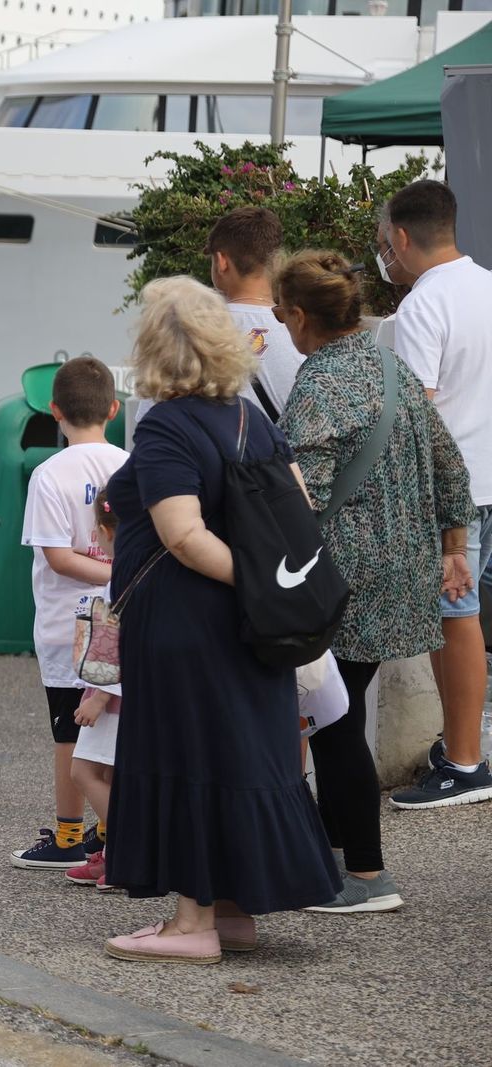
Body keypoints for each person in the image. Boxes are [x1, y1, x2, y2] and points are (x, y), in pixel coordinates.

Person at [102, 276, 340, 966]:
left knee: (188, 756)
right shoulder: (251, 418)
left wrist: (253, 578)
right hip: (250, 628)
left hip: (187, 624)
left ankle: (190, 923)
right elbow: (298, 502)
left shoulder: (168, 426)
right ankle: (234, 912)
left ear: (155, 345)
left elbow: (182, 534)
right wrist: (269, 587)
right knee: (241, 751)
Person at [277, 250, 475, 912]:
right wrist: (454, 546)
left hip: (342, 576)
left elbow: (303, 495)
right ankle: (336, 858)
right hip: (403, 570)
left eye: (282, 314)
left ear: (301, 316)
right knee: (340, 707)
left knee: (333, 720)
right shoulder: (392, 368)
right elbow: (451, 464)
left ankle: (364, 873)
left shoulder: (318, 384)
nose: (281, 326)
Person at [379, 180, 492, 806]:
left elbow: (416, 416)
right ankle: (458, 748)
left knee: (456, 620)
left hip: (456, 492)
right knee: (467, 619)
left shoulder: (423, 306)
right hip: (489, 478)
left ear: (399, 237)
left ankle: (467, 764)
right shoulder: (488, 285)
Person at [13, 357, 125, 871]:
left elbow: (57, 558)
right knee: (115, 729)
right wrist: (126, 577)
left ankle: (67, 837)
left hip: (67, 626)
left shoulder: (48, 474)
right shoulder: (131, 465)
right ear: (114, 408)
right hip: (124, 621)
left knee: (68, 732)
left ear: (54, 410)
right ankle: (104, 832)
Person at [131, 207, 304, 432]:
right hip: (281, 466)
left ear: (221, 261)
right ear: (275, 261)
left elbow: (149, 423)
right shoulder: (304, 330)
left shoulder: (186, 329)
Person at [66, 489, 121, 890]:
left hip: (110, 696)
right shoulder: (142, 570)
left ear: (104, 531)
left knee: (82, 771)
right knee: (110, 774)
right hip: (121, 696)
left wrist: (99, 698)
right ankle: (117, 853)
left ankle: (121, 850)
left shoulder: (118, 579)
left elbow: (115, 643)